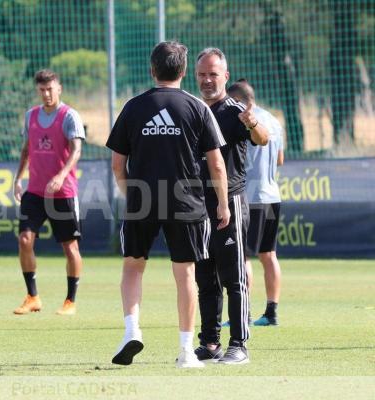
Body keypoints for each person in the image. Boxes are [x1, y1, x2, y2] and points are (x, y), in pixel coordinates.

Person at [106, 41, 230, 368]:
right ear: (185, 70)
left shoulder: (133, 107)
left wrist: (128, 194)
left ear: (152, 69)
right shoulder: (197, 107)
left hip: (142, 198)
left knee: (133, 266)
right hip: (187, 200)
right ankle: (187, 350)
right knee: (185, 273)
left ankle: (132, 330)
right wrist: (222, 203)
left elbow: (117, 164)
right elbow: (217, 165)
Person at [194, 48, 269, 365]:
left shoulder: (234, 110)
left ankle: (239, 344)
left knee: (233, 277)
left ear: (225, 76)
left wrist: (253, 124)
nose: (207, 80)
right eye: (202, 74)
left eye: (213, 74)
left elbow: (262, 139)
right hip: (197, 205)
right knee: (204, 278)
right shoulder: (193, 110)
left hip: (231, 202)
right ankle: (210, 343)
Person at [12, 69, 85, 316]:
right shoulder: (30, 116)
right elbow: (26, 149)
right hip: (35, 192)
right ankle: (32, 296)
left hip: (62, 192)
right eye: (42, 90)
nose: (46, 94)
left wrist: (61, 175)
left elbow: (76, 151)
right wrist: (17, 179)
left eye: (50, 89)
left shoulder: (69, 116)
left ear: (59, 88)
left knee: (70, 247)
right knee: (24, 240)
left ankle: (70, 301)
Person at [227, 79, 284, 327]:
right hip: (272, 194)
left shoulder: (242, 120)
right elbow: (280, 159)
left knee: (244, 257)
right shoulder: (273, 120)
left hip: (250, 197)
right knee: (269, 255)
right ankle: (271, 313)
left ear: (238, 101)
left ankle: (244, 314)